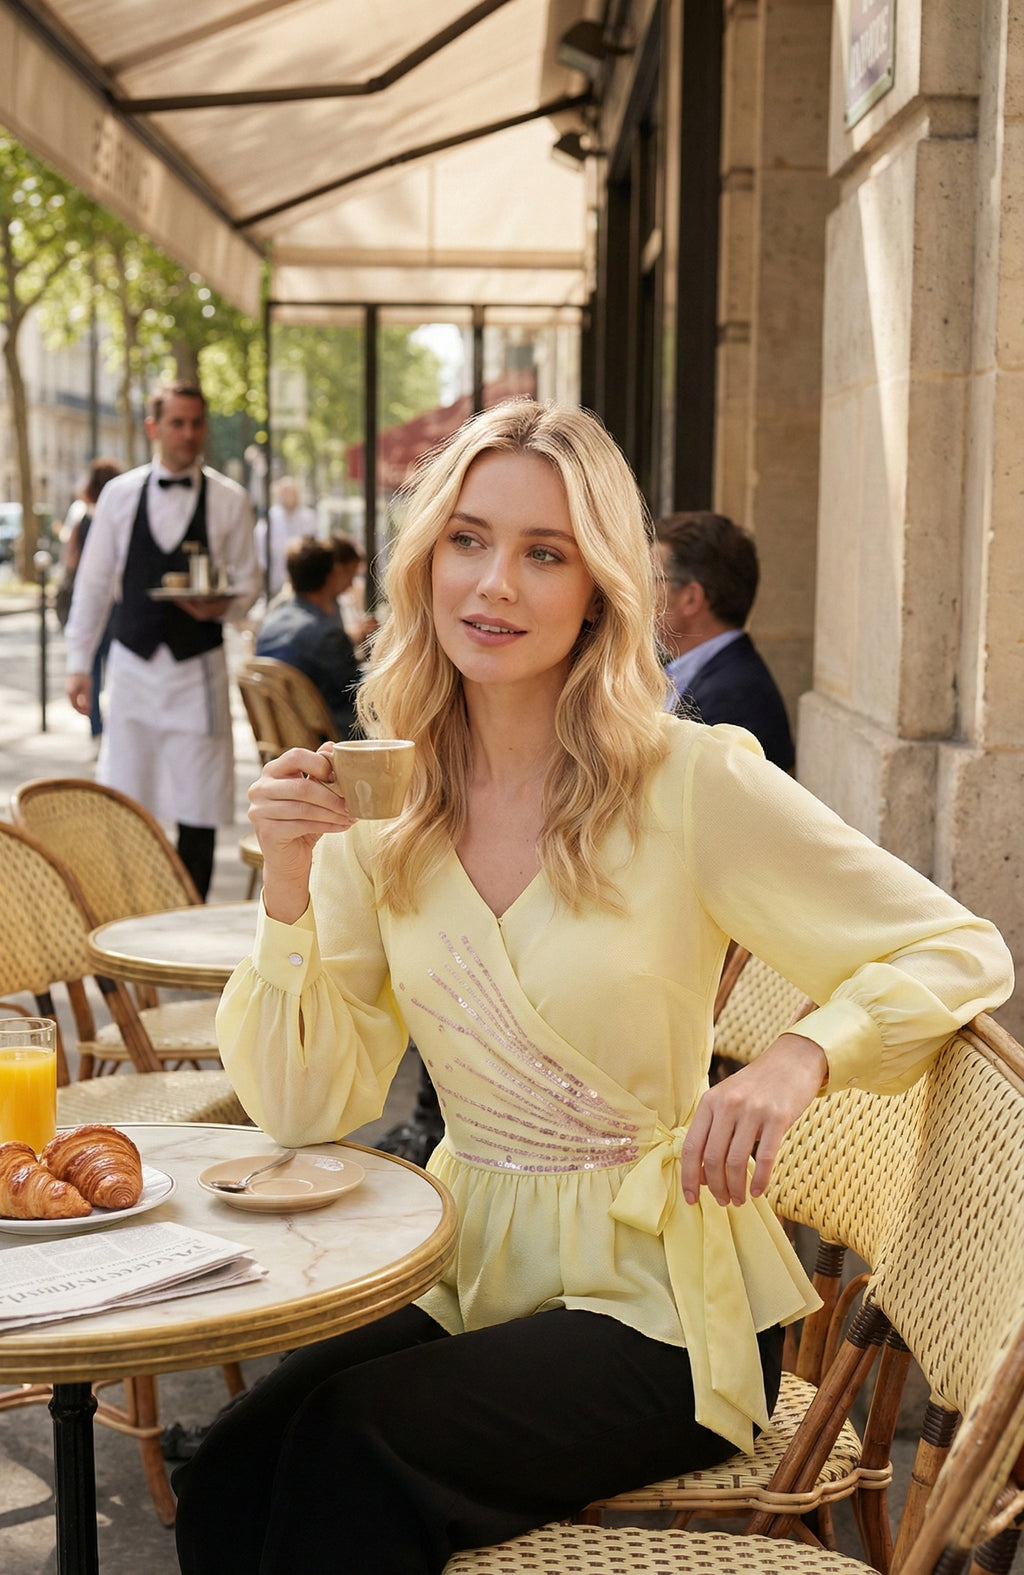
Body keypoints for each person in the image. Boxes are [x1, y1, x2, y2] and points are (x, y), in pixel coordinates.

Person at [173, 400, 1012, 1575]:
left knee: (354, 1452)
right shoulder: (382, 807)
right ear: (424, 563)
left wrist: (798, 1053)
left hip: (665, 1306)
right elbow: (305, 1109)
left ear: (600, 588)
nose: (495, 585)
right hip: (463, 1263)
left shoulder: (690, 782)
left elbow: (960, 946)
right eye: (467, 540)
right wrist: (292, 891)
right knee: (233, 1463)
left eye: (544, 553)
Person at [64, 381, 261, 900]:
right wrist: (78, 663)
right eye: (178, 423)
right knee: (128, 797)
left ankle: (191, 913)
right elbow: (92, 583)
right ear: (154, 428)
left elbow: (248, 580)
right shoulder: (119, 495)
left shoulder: (229, 499)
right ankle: (134, 909)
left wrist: (224, 604)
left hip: (197, 672)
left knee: (198, 802)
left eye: (196, 423)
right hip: (133, 668)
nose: (189, 433)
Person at [654, 511, 795, 772]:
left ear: (691, 599)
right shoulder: (705, 674)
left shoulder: (735, 696)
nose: (640, 591)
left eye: (653, 579)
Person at [254, 534, 365, 738]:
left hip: (283, 738)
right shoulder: (327, 635)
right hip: (329, 742)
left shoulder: (270, 622)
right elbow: (361, 692)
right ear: (331, 575)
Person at [55, 457, 122, 739]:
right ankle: (115, 727)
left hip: (92, 600)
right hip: (117, 604)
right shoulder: (119, 513)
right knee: (117, 668)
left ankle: (96, 728)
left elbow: (70, 557)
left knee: (92, 668)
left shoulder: (81, 514)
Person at [256, 476, 318, 600]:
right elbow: (259, 551)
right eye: (285, 493)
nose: (289, 497)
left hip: (303, 585)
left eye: (292, 493)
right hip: (275, 583)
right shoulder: (270, 518)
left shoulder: (309, 518)